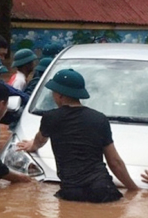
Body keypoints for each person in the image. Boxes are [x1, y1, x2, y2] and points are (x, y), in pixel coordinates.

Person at [17, 69, 139, 203]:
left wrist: (31, 145)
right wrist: (134, 189)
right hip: (102, 189)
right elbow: (115, 162)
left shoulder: (51, 118)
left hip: (71, 192)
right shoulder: (99, 119)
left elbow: (40, 140)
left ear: (60, 95)